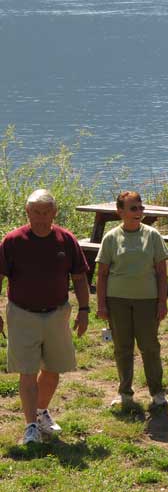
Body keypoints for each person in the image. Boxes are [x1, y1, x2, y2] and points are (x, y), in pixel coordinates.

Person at [0, 189, 90, 444]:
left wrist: (84, 310)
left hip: (57, 314)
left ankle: (40, 413)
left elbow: (80, 277)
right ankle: (30, 427)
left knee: (53, 370)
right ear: (27, 212)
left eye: (45, 212)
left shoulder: (66, 239)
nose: (40, 218)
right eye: (35, 212)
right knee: (27, 371)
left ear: (54, 213)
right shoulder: (13, 240)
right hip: (22, 314)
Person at [96, 191, 168, 407]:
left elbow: (162, 274)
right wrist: (101, 305)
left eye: (141, 208)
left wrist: (162, 302)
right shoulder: (111, 238)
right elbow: (102, 275)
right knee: (122, 347)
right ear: (120, 212)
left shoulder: (153, 236)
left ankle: (157, 393)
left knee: (149, 347)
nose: (139, 212)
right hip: (117, 300)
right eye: (133, 208)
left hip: (147, 300)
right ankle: (125, 393)